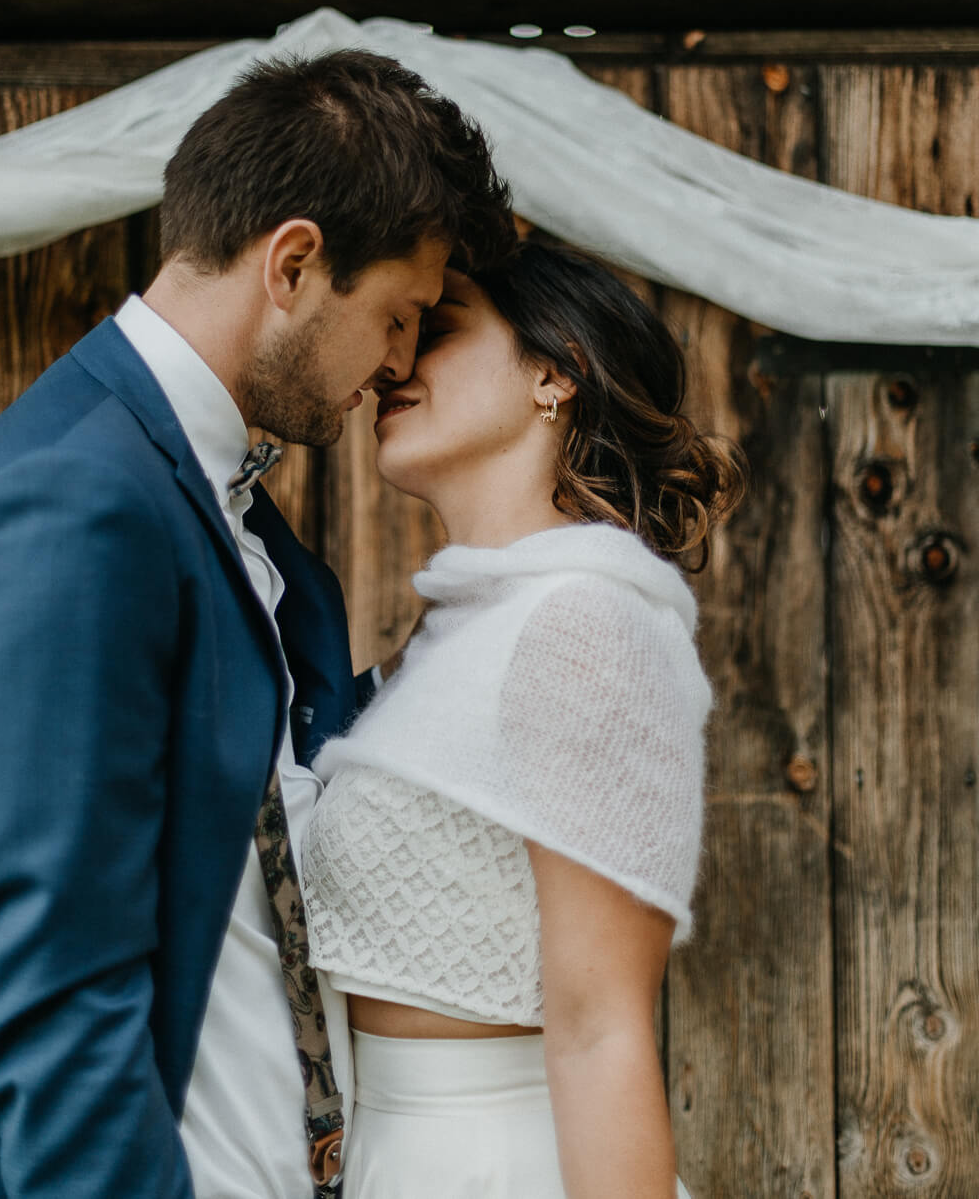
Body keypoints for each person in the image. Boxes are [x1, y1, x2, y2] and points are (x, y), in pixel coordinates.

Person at [0, 49, 514, 1199]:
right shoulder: (81, 496)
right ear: (295, 263)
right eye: (399, 315)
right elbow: (50, 987)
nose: (401, 361)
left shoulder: (258, 540)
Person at [301, 241, 747, 1199]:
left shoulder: (588, 623)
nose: (393, 363)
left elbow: (600, 1034)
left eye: (440, 329)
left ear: (554, 372)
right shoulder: (460, 633)